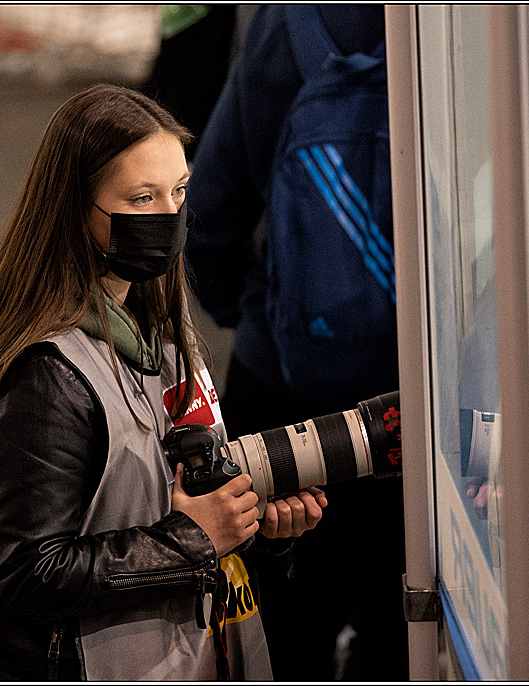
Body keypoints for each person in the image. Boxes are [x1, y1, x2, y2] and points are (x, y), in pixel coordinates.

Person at [0, 83, 326, 681]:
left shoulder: (159, 329)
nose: (168, 218)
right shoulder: (42, 374)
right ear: (76, 212)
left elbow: (153, 496)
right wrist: (191, 540)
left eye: (178, 191)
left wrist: (250, 526)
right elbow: (26, 574)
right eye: (140, 199)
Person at [184, 5, 408, 681]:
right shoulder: (472, 29)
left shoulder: (295, 20)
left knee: (281, 629)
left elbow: (210, 210)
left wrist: (252, 312)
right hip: (419, 406)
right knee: (405, 630)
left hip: (284, 395)